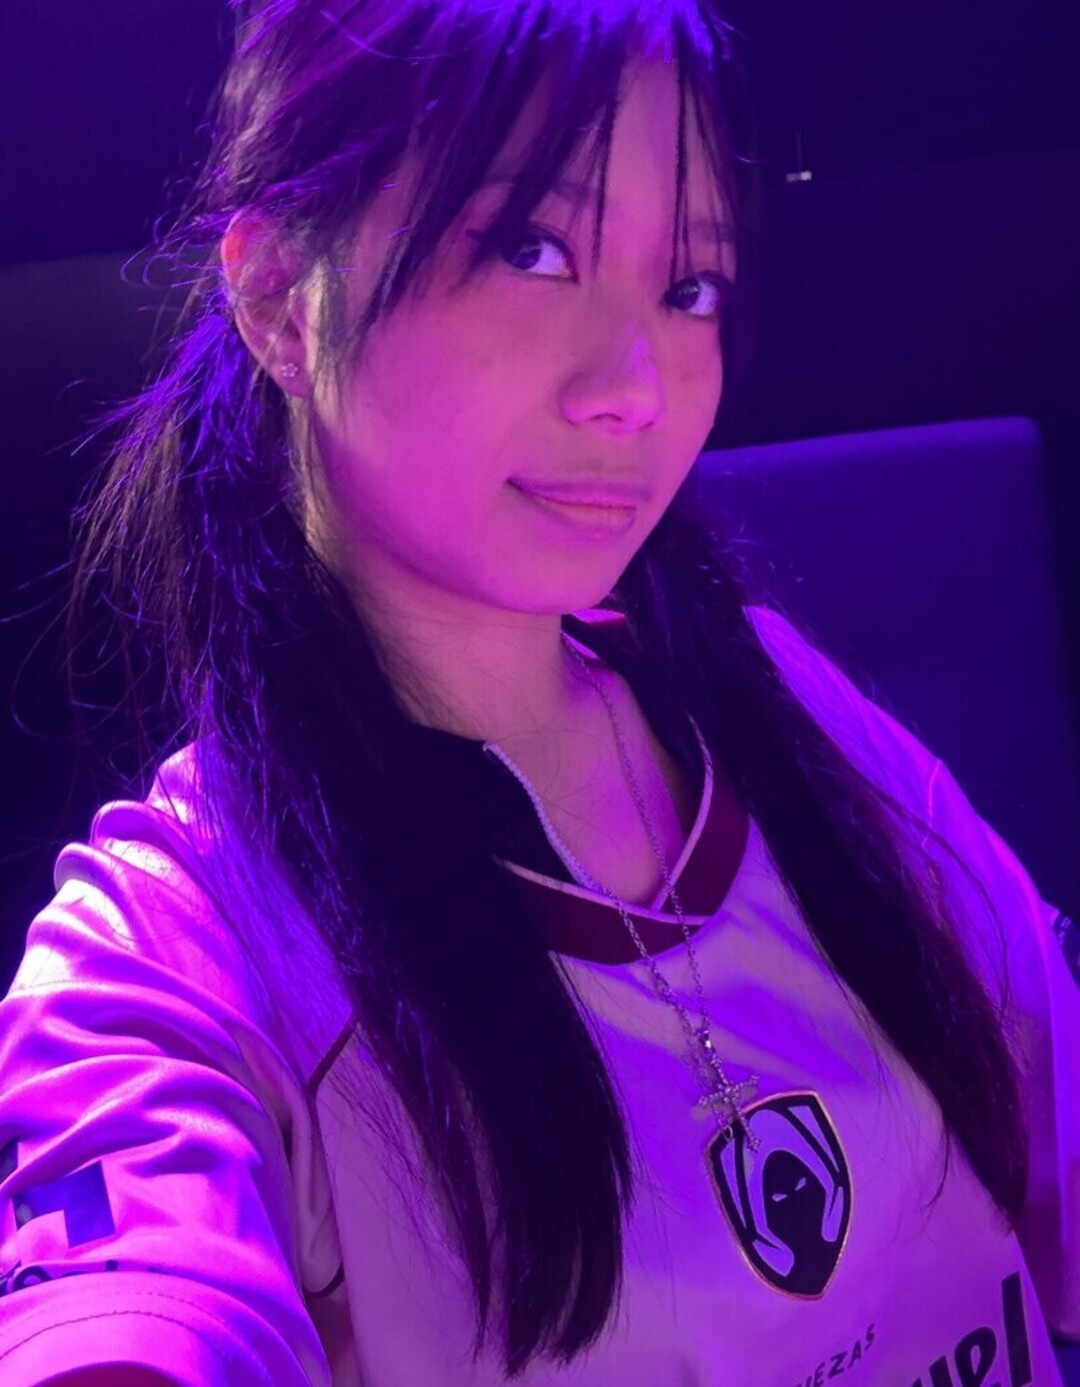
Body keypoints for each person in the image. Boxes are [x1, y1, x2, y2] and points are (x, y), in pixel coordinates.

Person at [1, 0, 1077, 1382]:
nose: (639, 387)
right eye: (532, 249)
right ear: (277, 299)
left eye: (690, 286)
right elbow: (133, 1309)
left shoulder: (776, 704)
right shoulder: (175, 952)